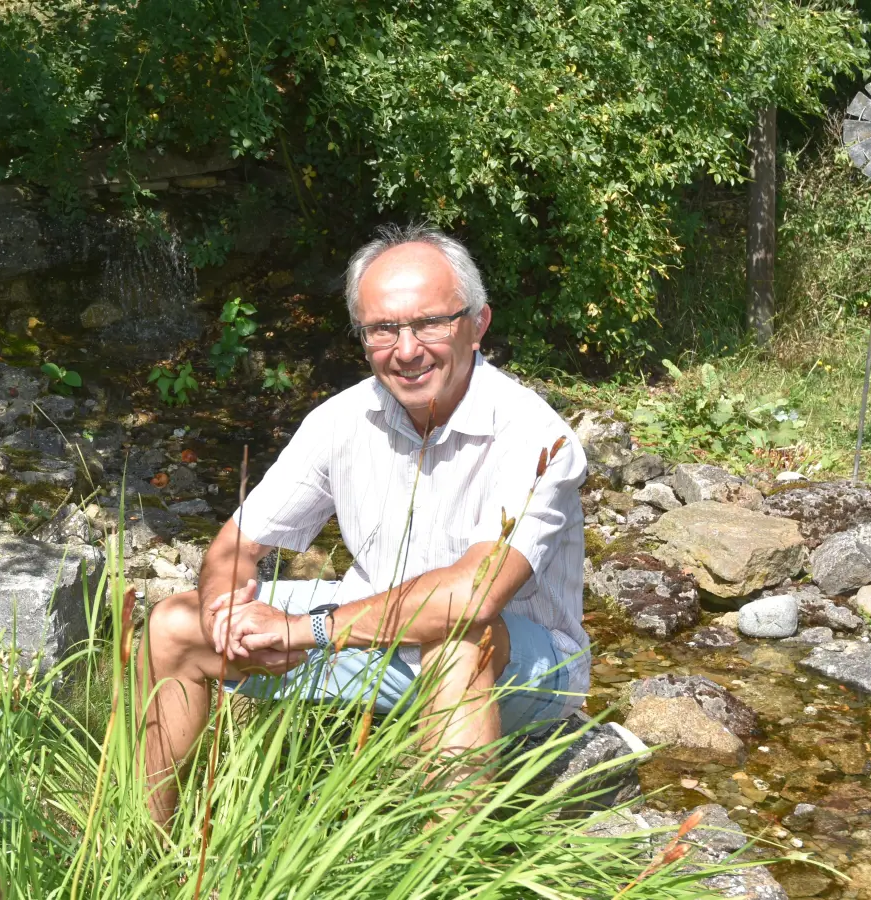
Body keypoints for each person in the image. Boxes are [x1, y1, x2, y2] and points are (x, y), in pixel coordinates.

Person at [136, 224, 590, 823]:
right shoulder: (341, 419)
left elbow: (470, 598)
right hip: (369, 636)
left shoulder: (536, 436)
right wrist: (226, 615)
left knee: (457, 644)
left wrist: (305, 631)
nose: (406, 350)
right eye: (383, 328)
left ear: (478, 325)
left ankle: (441, 877)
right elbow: (236, 544)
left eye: (430, 322)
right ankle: (146, 847)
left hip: (523, 663)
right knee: (174, 623)